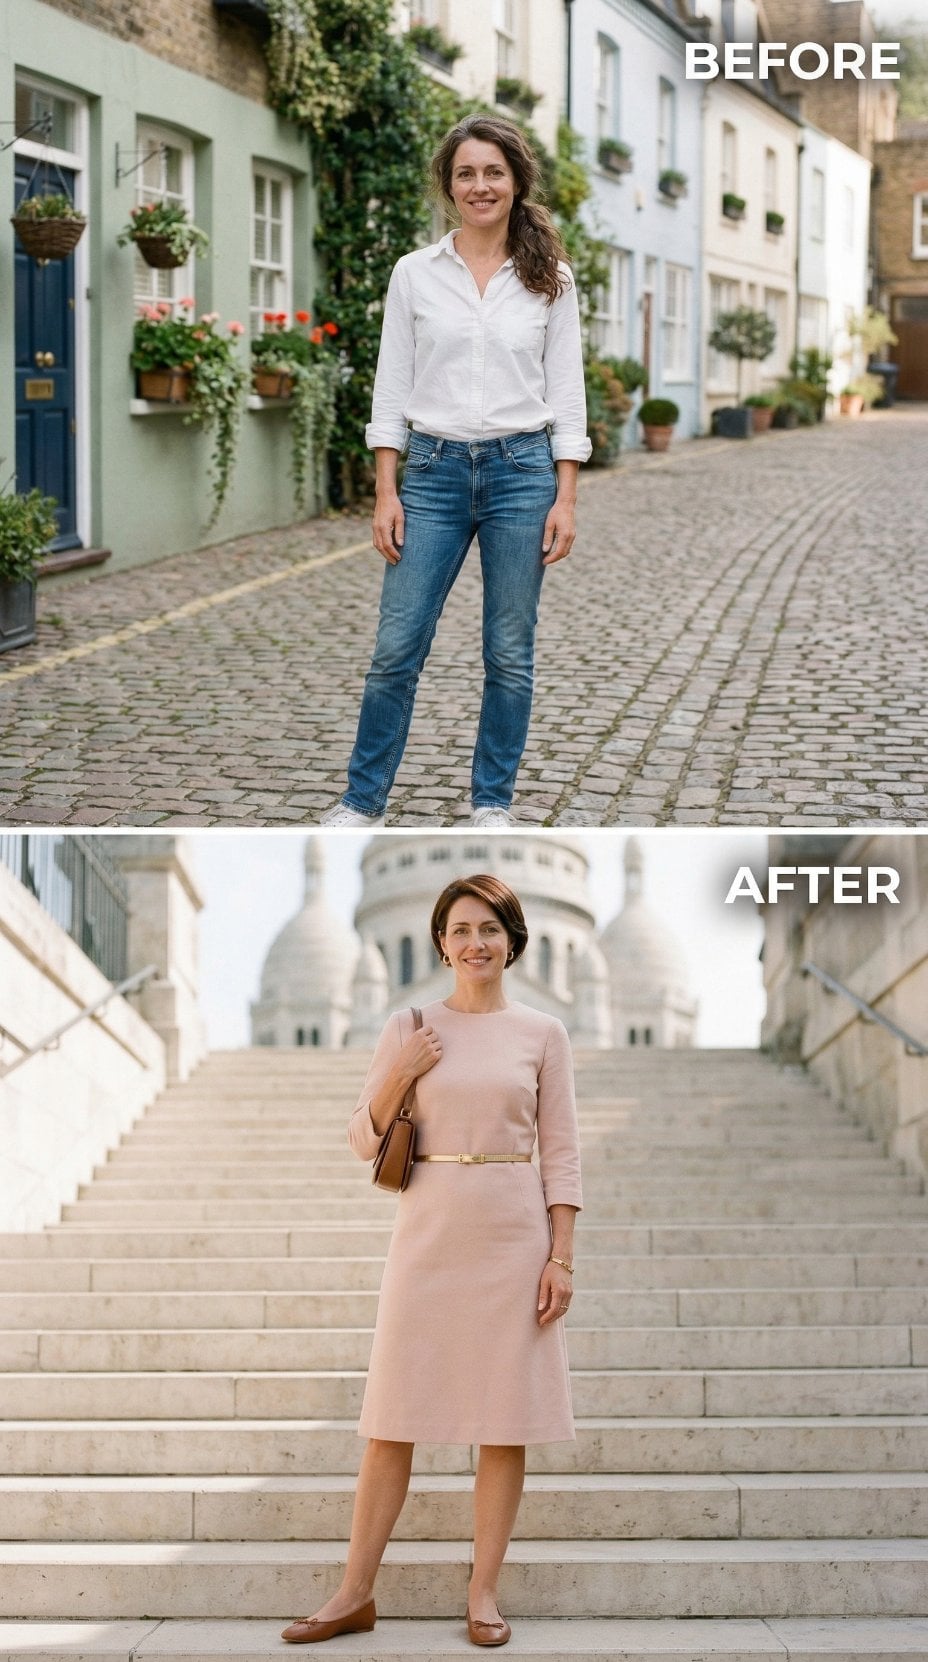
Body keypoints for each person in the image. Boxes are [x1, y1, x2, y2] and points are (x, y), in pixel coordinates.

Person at [281, 873, 582, 1647]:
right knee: (392, 1421)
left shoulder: (544, 1033)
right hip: (428, 1233)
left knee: (503, 1424)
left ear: (512, 941)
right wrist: (401, 1067)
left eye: (488, 929)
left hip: (514, 1236)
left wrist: (562, 1257)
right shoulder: (409, 1024)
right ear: (440, 942)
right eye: (459, 930)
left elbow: (563, 1153)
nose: (473, 943)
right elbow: (361, 1138)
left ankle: (483, 1595)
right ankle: (353, 1593)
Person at [321, 114, 591, 832]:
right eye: (466, 173)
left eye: (493, 172)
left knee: (509, 651)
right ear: (449, 184)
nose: (480, 185)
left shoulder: (550, 280)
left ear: (515, 182)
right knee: (396, 646)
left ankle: (491, 801)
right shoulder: (414, 273)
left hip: (522, 473)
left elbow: (567, 395)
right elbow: (390, 386)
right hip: (433, 474)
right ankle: (361, 800)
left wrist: (565, 495)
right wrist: (386, 488)